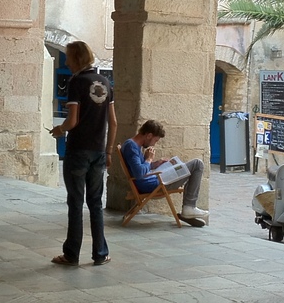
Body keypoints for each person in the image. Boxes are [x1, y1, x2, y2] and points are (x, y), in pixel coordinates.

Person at [49, 41, 116, 267]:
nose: (66, 61)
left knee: (76, 203)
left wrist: (59, 130)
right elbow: (113, 122)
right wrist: (108, 151)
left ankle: (71, 254)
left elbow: (73, 120)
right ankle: (100, 253)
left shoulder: (76, 82)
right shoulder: (106, 83)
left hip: (78, 150)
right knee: (95, 203)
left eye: (68, 57)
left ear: (77, 58)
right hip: (98, 151)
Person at [120, 120, 209, 227]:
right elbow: (139, 173)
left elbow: (140, 168)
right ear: (149, 135)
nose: (154, 144)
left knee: (185, 167)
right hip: (153, 185)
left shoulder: (132, 145)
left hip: (154, 179)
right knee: (197, 164)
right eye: (155, 140)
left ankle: (188, 208)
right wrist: (148, 159)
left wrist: (155, 164)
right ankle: (189, 207)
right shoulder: (132, 147)